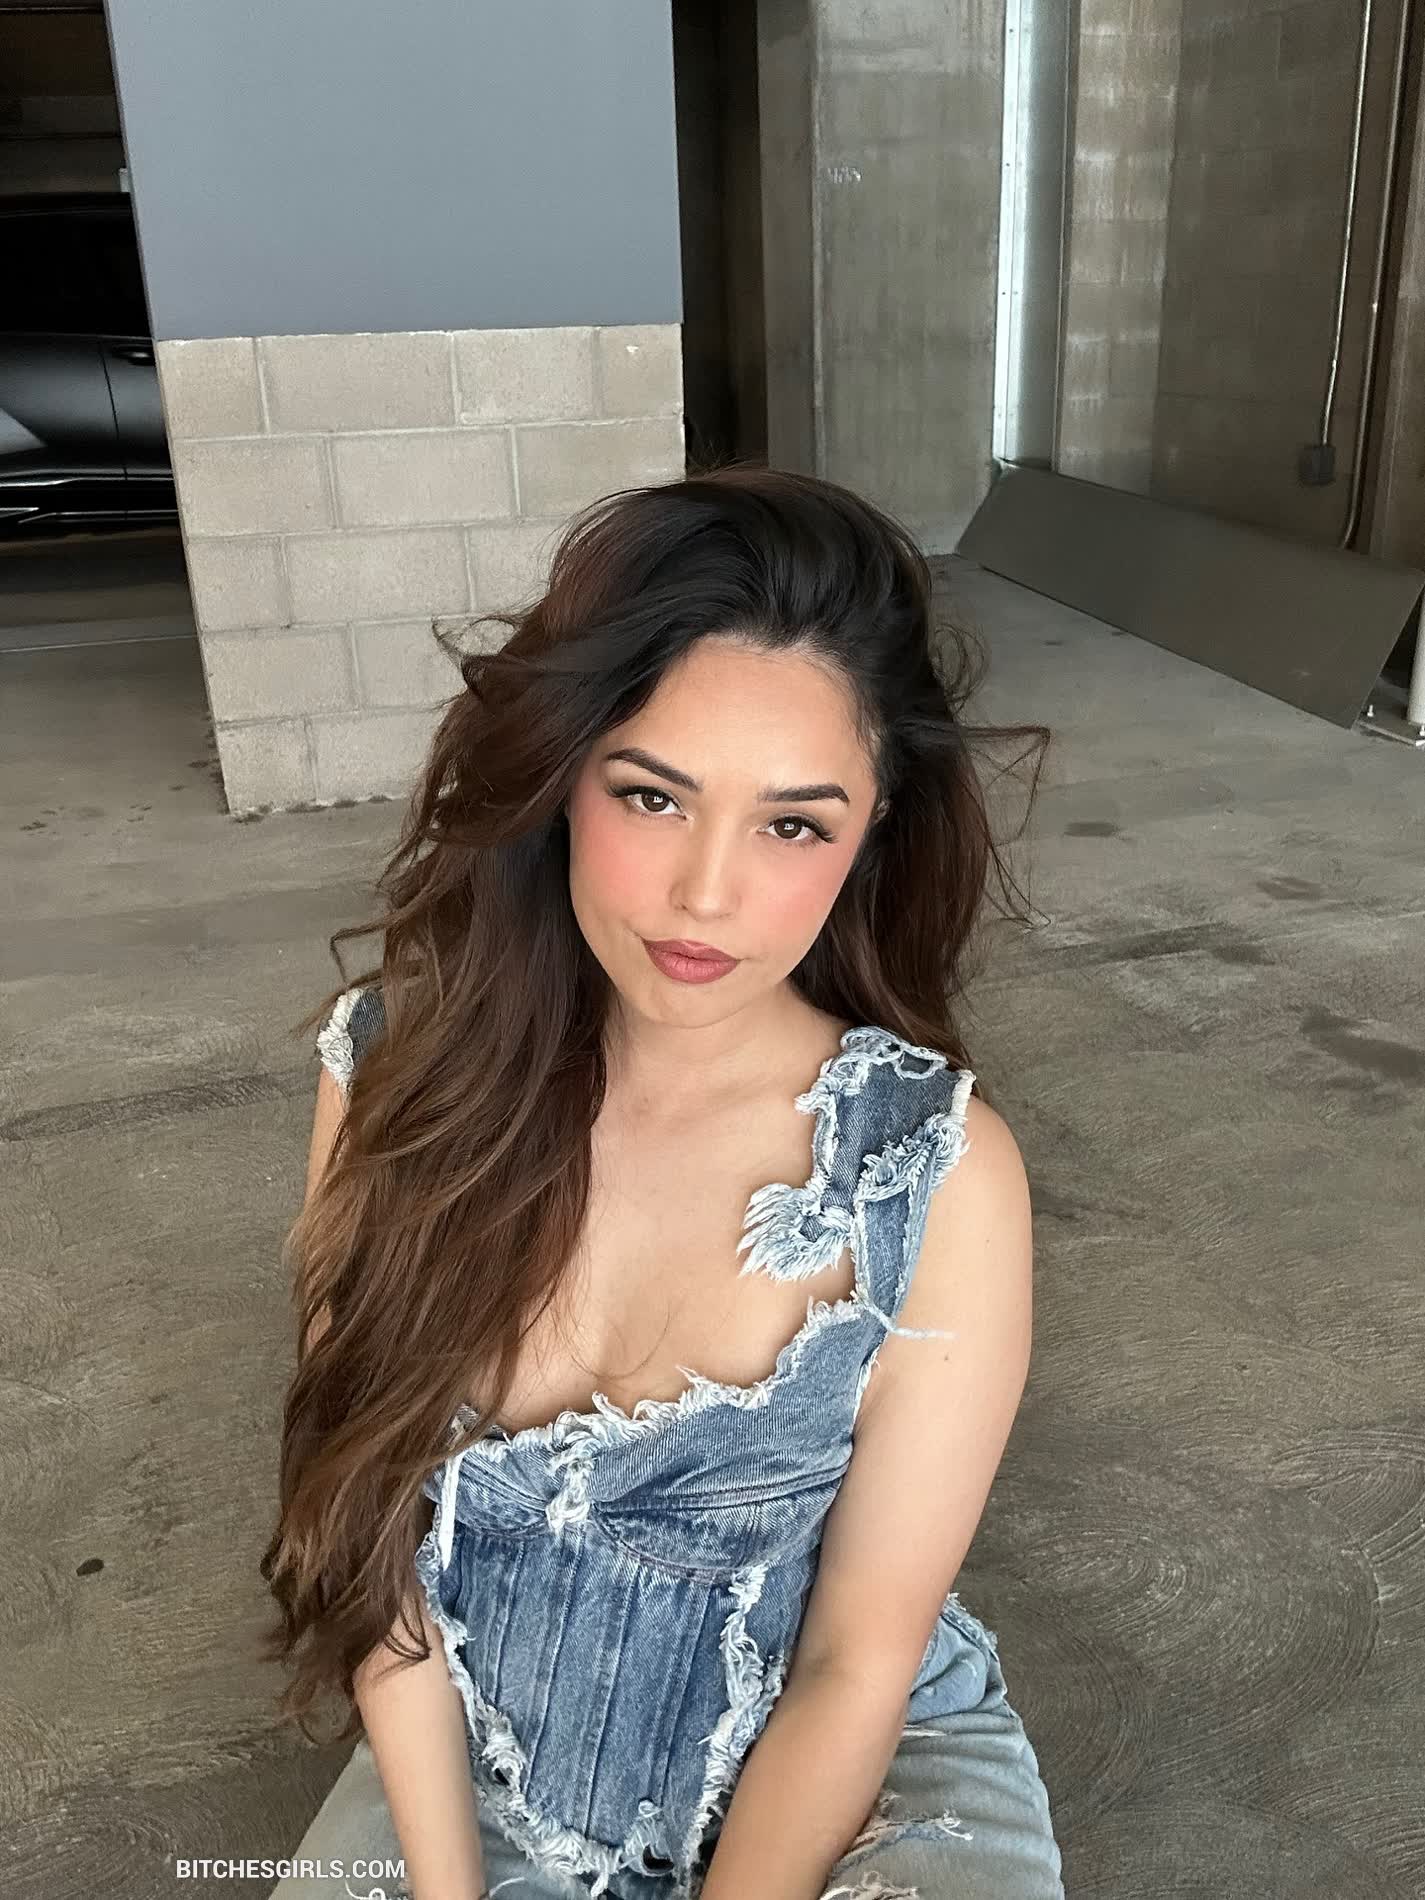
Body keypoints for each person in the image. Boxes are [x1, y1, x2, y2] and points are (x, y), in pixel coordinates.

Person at [260, 464, 1062, 1900]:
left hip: (853, 1760)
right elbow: (368, 1536)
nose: (706, 895)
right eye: (651, 795)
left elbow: (855, 1659)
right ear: (561, 779)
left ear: (872, 832)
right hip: (481, 1742)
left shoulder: (928, 1172)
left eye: (793, 824)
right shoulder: (395, 1076)